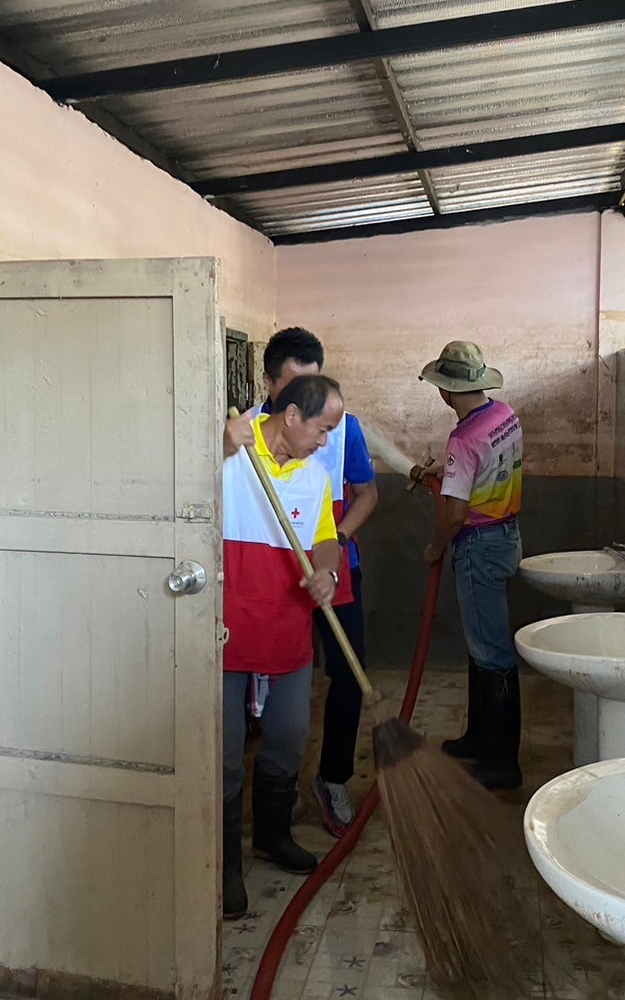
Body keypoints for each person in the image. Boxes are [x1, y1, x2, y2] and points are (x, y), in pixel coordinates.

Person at [228, 327, 378, 837]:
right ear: (273, 388)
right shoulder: (240, 439)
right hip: (249, 597)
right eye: (292, 387)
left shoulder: (331, 446)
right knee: (235, 728)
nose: (324, 439)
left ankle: (319, 790)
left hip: (310, 583)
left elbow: (352, 508)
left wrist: (331, 563)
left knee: (331, 685)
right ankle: (241, 831)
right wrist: (223, 445)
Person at [220, 374, 344, 920]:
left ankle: (271, 836)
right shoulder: (231, 450)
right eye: (322, 429)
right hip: (225, 630)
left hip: (287, 626)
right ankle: (224, 862)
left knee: (290, 736)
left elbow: (326, 539)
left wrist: (327, 573)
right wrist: (219, 447)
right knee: (223, 752)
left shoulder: (314, 475)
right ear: (291, 416)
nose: (325, 441)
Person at [417, 341, 524, 791]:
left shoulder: (462, 439)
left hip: (477, 546)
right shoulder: (505, 416)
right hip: (506, 537)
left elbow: (454, 514)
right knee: (483, 644)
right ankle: (479, 738)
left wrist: (435, 547)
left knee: (492, 653)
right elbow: (485, 471)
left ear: (446, 391)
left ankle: (502, 762)